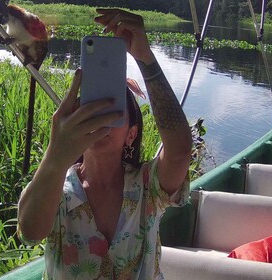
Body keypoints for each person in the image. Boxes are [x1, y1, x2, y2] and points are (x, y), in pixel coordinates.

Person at [16, 8, 192, 280]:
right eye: (90, 107)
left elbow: (179, 150)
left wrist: (146, 58)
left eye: (114, 109)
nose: (100, 117)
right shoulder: (58, 191)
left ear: (131, 134)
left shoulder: (148, 187)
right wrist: (55, 155)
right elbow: (29, 231)